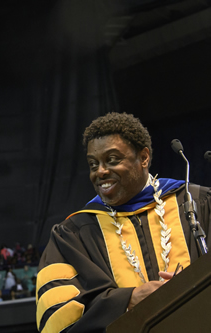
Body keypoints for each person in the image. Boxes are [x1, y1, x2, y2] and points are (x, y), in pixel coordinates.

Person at [36, 112, 211, 332]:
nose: (100, 171)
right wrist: (128, 299)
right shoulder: (74, 235)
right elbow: (57, 317)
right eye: (93, 164)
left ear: (144, 158)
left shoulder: (197, 203)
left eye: (112, 160)